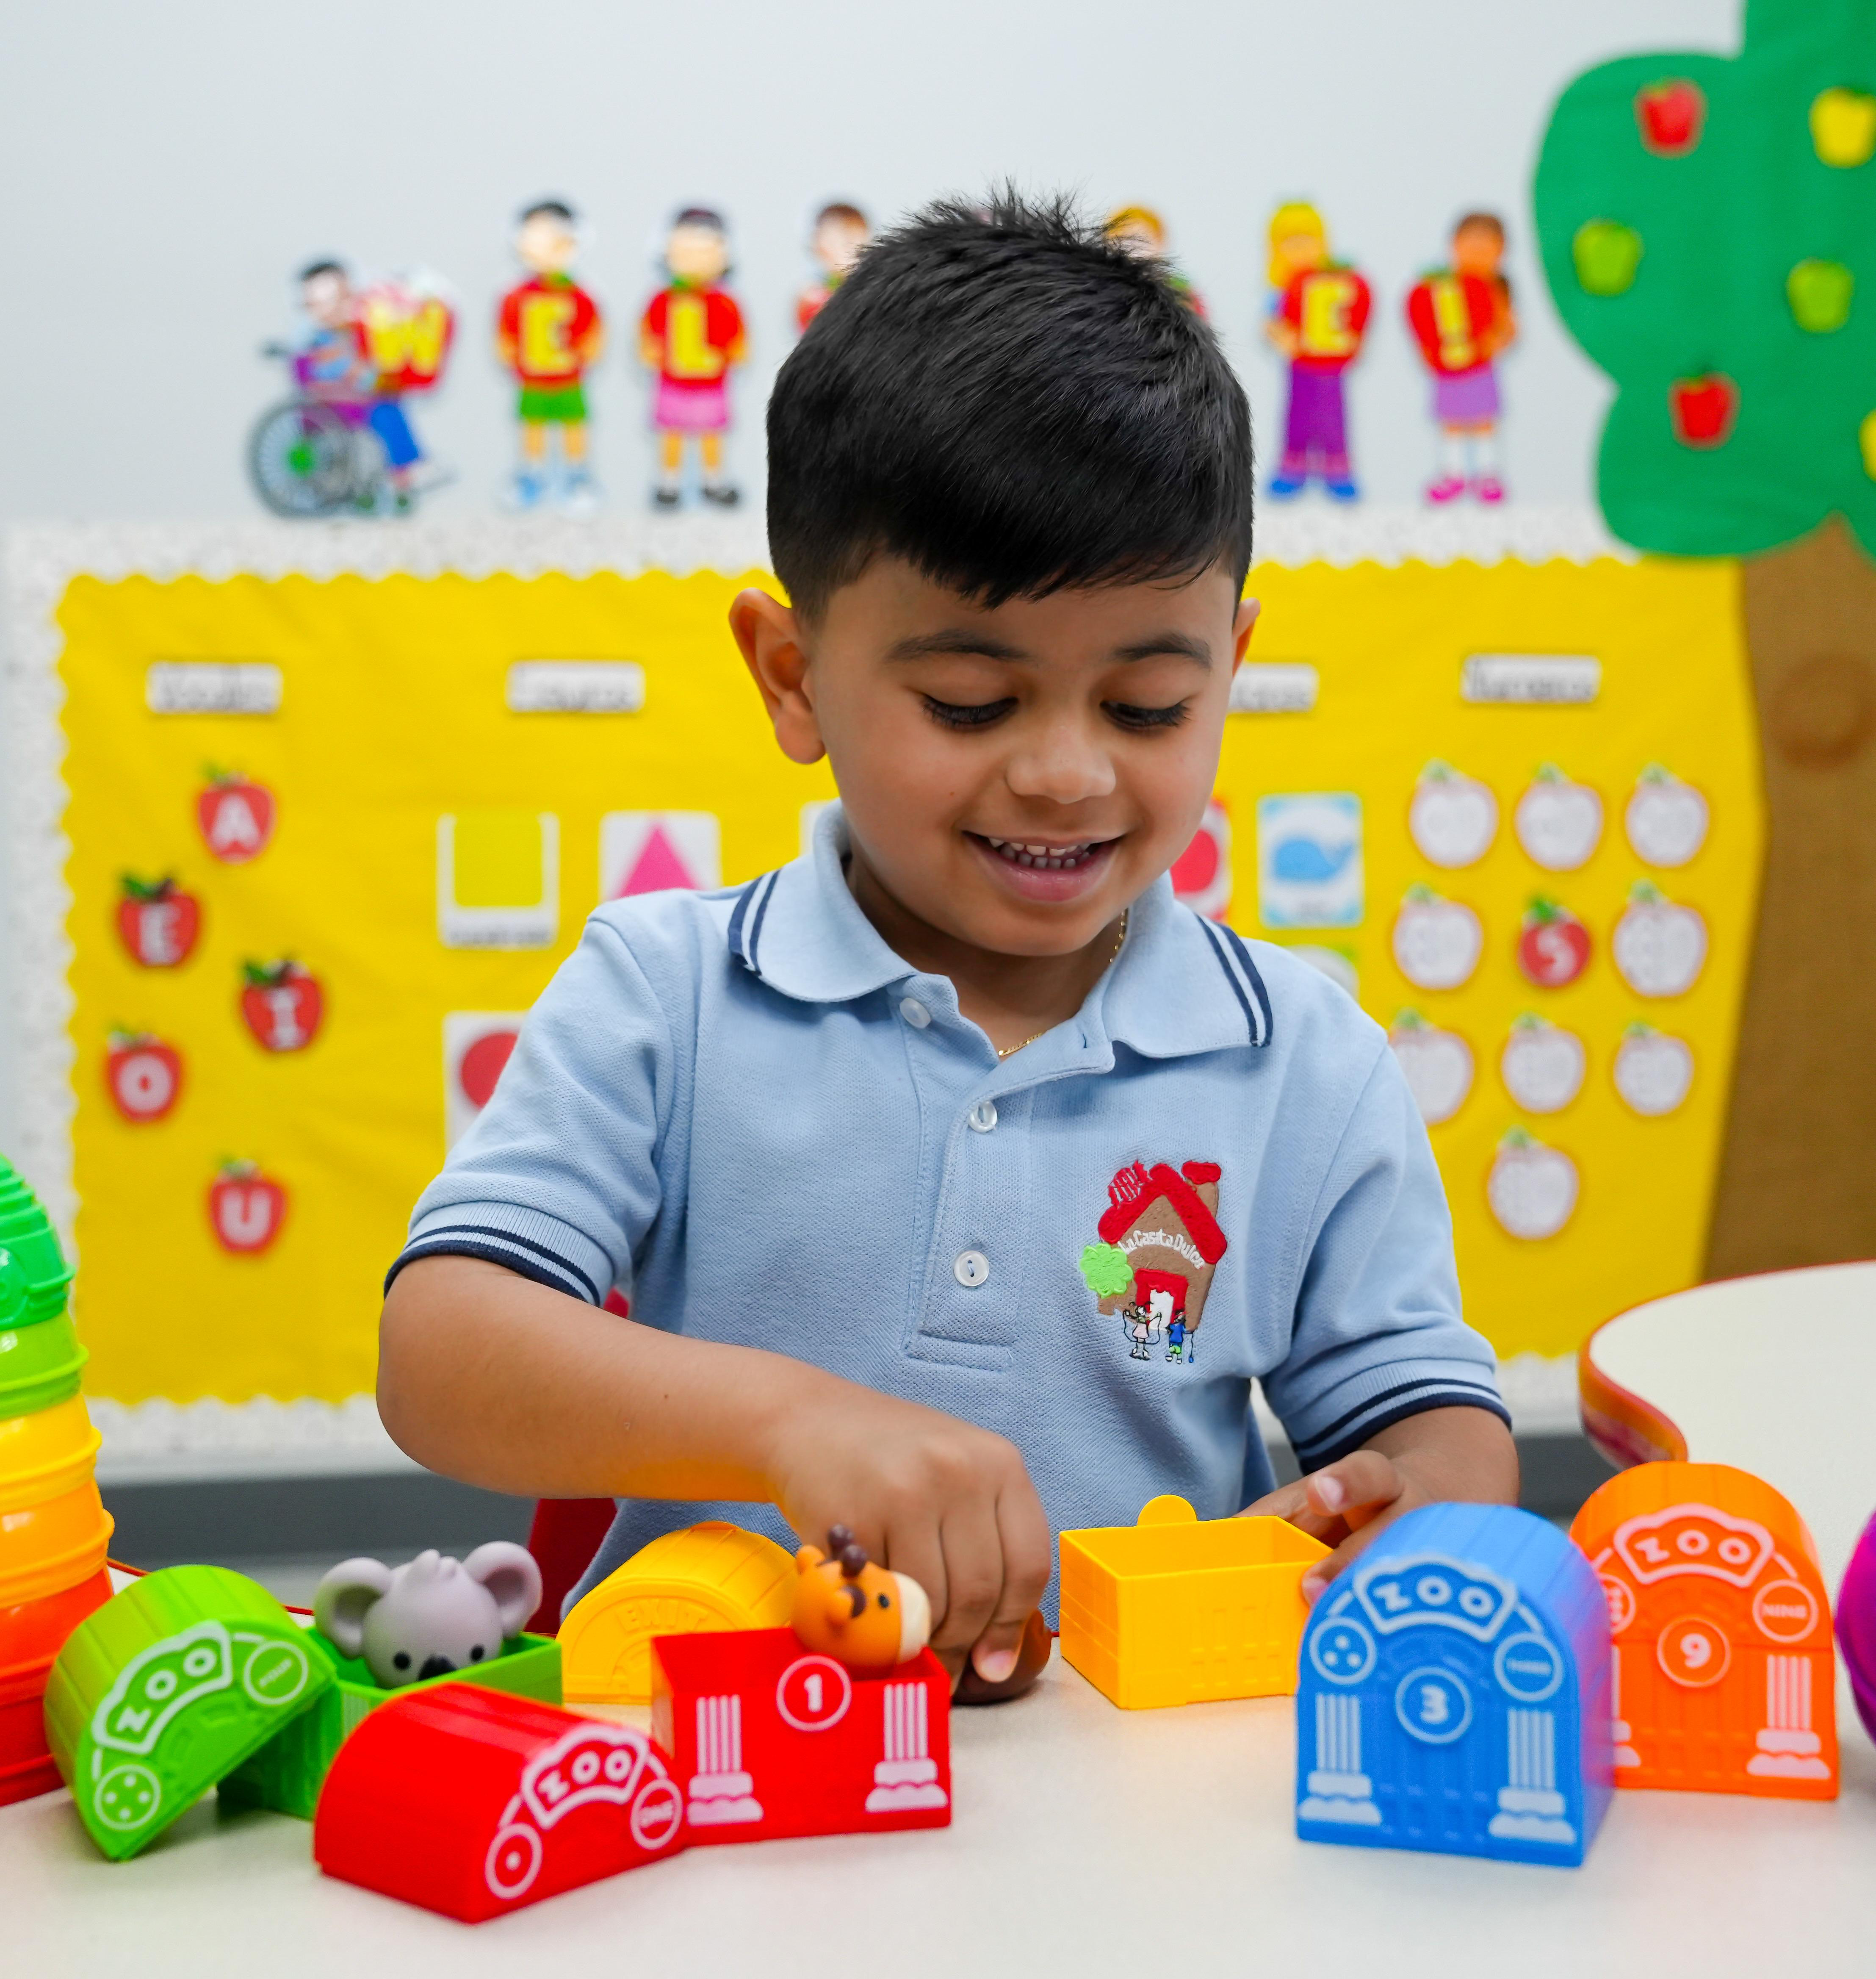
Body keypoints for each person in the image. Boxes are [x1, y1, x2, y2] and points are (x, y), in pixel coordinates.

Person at [378, 193, 1516, 1694]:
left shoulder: (1300, 1060)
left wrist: (1401, 1516)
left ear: (1231, 665)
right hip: (721, 1780)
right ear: (793, 678)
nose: (1063, 772)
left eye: (1148, 707)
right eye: (972, 704)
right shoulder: (670, 995)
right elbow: (440, 1350)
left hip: (1121, 1796)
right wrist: (788, 1422)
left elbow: (1434, 1425)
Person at [496, 199, 606, 515]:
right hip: (533, 379)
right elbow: (507, 331)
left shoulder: (579, 293)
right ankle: (531, 475)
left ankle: (577, 476)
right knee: (533, 428)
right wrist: (509, 353)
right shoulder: (517, 295)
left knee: (574, 427)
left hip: (570, 379)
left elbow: (593, 330)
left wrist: (589, 353)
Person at [295, 259, 429, 509]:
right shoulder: (318, 345)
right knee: (386, 413)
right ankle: (400, 476)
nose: (335, 309)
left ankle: (401, 478)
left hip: (354, 398)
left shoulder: (358, 337)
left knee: (390, 407)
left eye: (343, 299)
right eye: (322, 303)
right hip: (335, 405)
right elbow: (331, 373)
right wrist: (367, 377)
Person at [639, 207, 747, 507]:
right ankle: (668, 483)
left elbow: (737, 337)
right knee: (672, 434)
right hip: (673, 383)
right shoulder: (663, 299)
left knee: (711, 435)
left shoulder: (724, 301)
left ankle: (713, 481)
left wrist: (737, 352)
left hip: (710, 384)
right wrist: (649, 351)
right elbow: (649, 334)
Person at [1262, 203, 1370, 501]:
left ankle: (1337, 467)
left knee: (1334, 415)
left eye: (1307, 241)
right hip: (1300, 365)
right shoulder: (1283, 289)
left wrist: (1353, 339)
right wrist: (1282, 338)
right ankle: (1293, 466)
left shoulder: (1339, 281)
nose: (1300, 250)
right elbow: (1272, 323)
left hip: (1332, 365)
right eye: (1290, 243)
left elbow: (1355, 311)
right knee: (1298, 413)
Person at [1406, 211, 1516, 504]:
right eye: (1470, 244)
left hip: (1480, 368)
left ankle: (1487, 474)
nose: (1478, 252)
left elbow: (1508, 328)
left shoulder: (1497, 290)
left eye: (1487, 245)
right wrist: (1428, 351)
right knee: (1451, 422)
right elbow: (1425, 321)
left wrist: (1494, 343)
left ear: (1501, 250)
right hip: (1448, 370)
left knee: (1483, 421)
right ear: (1454, 245)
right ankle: (1453, 475)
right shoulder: (1439, 288)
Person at [1102, 205, 1206, 316]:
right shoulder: (1101, 281)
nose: (1133, 248)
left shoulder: (1180, 287)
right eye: (1122, 239)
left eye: (1141, 240)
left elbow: (1196, 326)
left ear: (1160, 243)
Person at [797, 201, 871, 333]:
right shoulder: (813, 295)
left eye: (851, 241)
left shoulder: (870, 288)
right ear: (818, 245)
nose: (844, 250)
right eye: (834, 242)